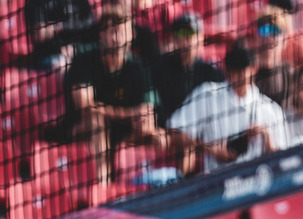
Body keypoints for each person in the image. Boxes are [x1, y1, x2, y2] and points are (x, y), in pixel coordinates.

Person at [63, 4, 164, 184]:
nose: (117, 38)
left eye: (122, 32)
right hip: (81, 128)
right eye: (111, 32)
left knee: (158, 137)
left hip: (124, 131)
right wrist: (128, 114)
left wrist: (140, 118)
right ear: (101, 34)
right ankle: (103, 188)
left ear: (131, 35)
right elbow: (86, 108)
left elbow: (147, 109)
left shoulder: (138, 67)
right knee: (97, 123)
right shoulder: (84, 59)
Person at [167, 40, 288, 173]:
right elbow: (173, 131)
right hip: (217, 182)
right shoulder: (208, 94)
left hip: (259, 184)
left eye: (242, 70)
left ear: (254, 69)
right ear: (226, 70)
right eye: (233, 70)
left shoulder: (271, 109)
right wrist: (209, 148)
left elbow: (284, 165)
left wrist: (267, 137)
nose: (236, 76)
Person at [154, 13, 224, 126]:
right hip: (170, 132)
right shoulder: (162, 68)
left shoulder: (210, 73)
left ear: (199, 37)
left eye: (190, 32)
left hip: (200, 134)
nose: (186, 38)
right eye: (181, 33)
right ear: (175, 39)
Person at [25, 0, 93, 70]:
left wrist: (58, 27)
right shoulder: (37, 2)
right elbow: (39, 34)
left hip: (77, 50)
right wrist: (61, 49)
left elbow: (89, 24)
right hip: (50, 55)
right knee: (63, 65)